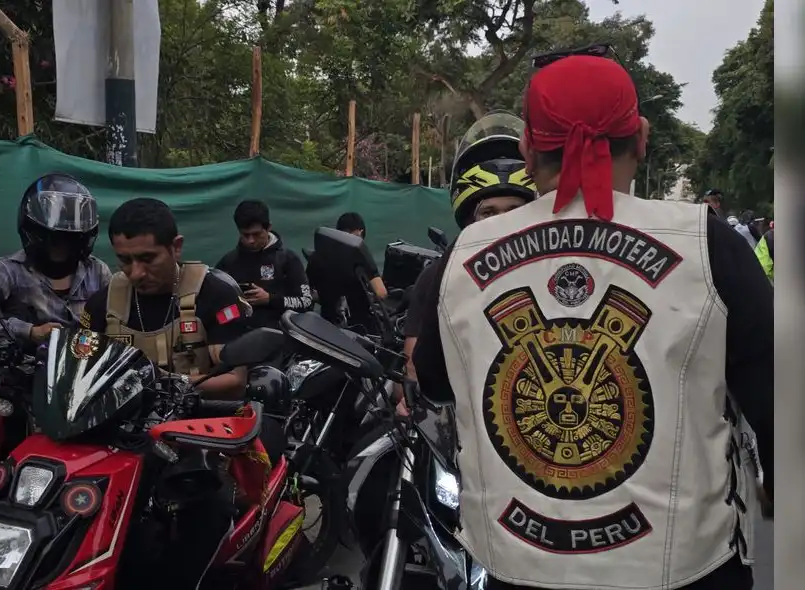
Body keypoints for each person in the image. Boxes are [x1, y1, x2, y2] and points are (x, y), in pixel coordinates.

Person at [412, 47, 773, 590]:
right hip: (684, 570)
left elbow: (435, 384)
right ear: (642, 139)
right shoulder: (708, 244)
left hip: (518, 569)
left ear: (528, 150)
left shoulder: (459, 259)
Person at [403, 111, 537, 385]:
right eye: (489, 212)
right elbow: (414, 369)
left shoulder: (551, 270)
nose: (501, 222)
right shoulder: (439, 276)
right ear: (468, 219)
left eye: (514, 211)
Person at [81, 198, 249, 398]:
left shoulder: (215, 295)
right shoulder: (103, 304)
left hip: (197, 415)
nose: (136, 273)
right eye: (125, 260)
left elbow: (235, 380)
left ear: (176, 247)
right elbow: (80, 375)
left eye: (148, 259)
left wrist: (158, 382)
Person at [0, 173, 112, 344]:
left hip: (85, 356)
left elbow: (115, 319)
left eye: (69, 240)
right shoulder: (9, 270)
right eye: (54, 240)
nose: (61, 247)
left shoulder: (97, 271)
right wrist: (30, 331)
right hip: (26, 358)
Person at [216, 200, 313, 329]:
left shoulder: (288, 259)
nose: (251, 241)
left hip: (278, 333)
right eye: (245, 235)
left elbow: (306, 302)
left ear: (268, 227)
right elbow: (215, 307)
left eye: (256, 234)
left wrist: (269, 299)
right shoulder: (229, 261)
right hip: (239, 334)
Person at [306, 212, 388, 333]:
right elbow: (381, 293)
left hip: (326, 327)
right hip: (359, 330)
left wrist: (329, 298)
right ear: (360, 232)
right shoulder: (360, 253)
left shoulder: (316, 255)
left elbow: (309, 291)